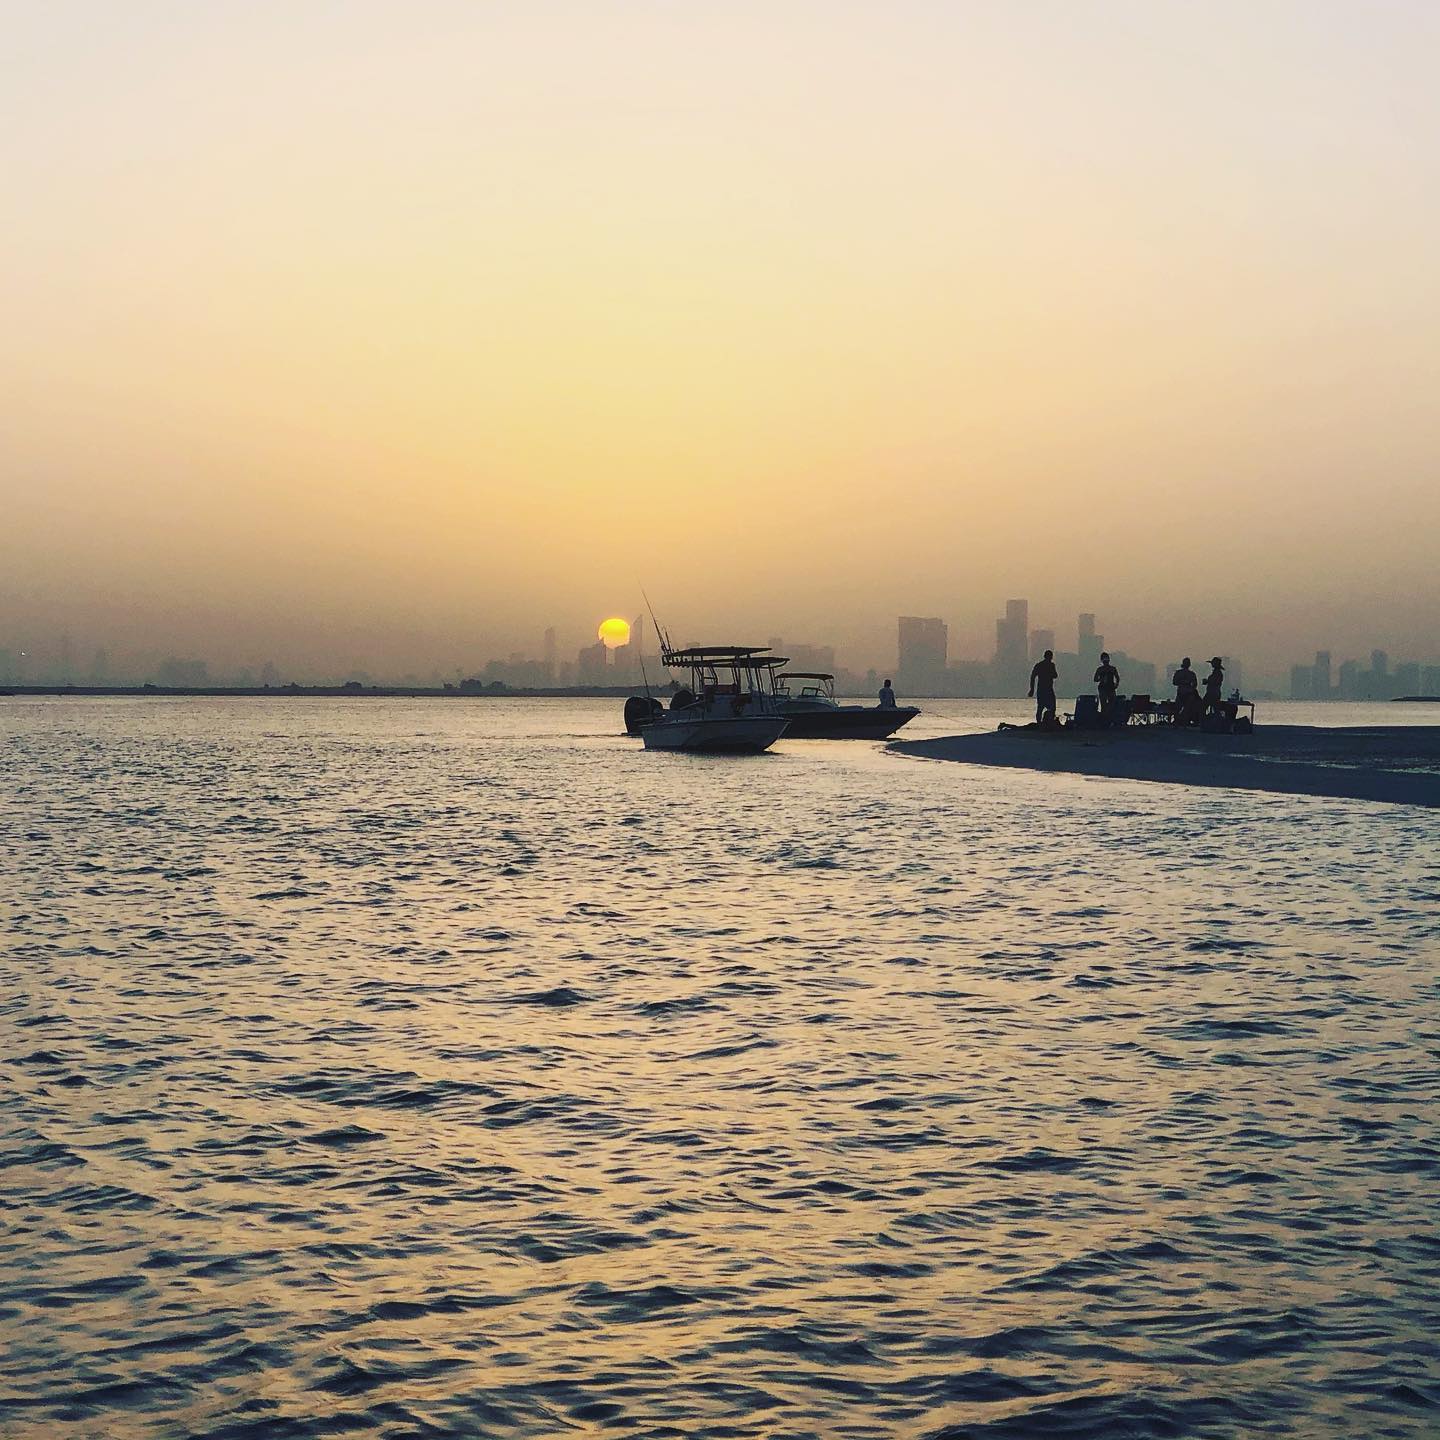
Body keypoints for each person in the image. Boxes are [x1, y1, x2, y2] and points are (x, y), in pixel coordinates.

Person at [1028, 649, 1058, 726]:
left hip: (1046, 689)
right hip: (1044, 689)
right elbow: (1033, 677)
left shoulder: (1046, 665)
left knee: (1047, 707)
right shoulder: (1045, 665)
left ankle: (1047, 722)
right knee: (1042, 707)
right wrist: (1032, 689)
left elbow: (1055, 675)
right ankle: (1041, 723)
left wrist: (1032, 689)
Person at [1172, 657, 1200, 726]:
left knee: (1182, 710)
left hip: (1185, 694)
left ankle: (1180, 723)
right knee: (1182, 710)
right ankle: (1181, 723)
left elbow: (1175, 682)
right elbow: (1195, 684)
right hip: (1185, 693)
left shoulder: (1180, 673)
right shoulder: (1191, 674)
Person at [1094, 651, 1120, 722]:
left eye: (1107, 659)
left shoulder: (1112, 669)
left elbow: (1117, 678)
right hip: (1103, 688)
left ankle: (1109, 718)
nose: (1106, 662)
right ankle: (1104, 720)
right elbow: (1095, 679)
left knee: (1113, 703)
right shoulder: (1100, 669)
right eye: (1104, 660)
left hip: (1111, 688)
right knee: (1103, 704)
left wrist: (1116, 685)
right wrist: (1101, 679)